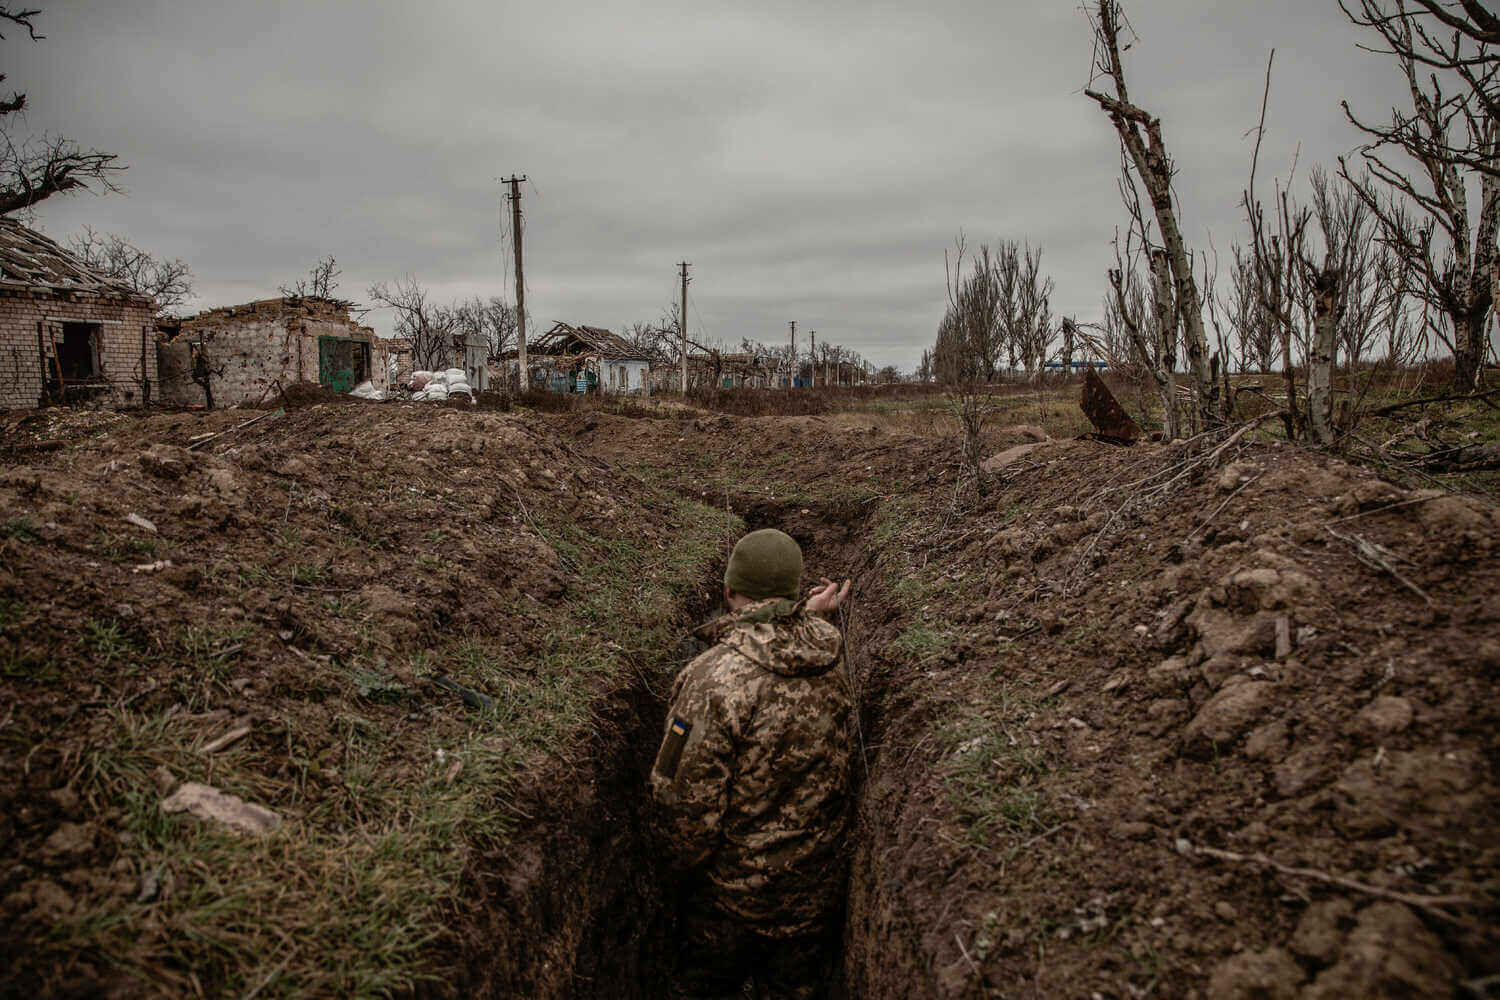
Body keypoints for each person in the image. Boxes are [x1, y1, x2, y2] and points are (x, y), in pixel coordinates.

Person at [651, 527, 853, 1000]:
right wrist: (812, 615)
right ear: (794, 593)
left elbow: (684, 811)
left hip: (730, 905)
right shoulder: (830, 649)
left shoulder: (712, 679)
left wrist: (671, 883)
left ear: (727, 591)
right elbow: (786, 636)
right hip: (815, 898)